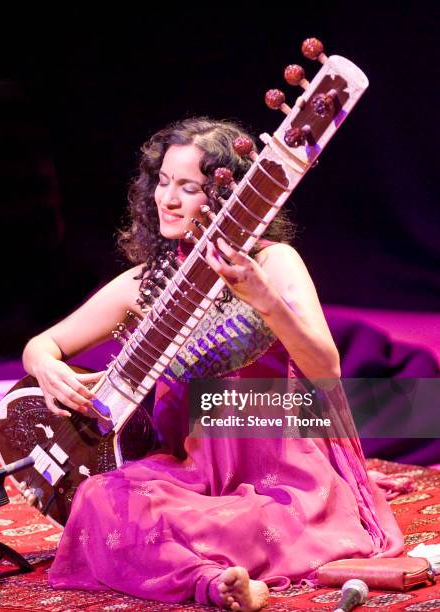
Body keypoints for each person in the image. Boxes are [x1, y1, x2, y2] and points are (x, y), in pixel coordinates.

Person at [20, 117, 404, 611]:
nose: (168, 199)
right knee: (97, 499)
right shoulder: (148, 286)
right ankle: (216, 584)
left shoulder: (273, 263)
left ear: (225, 197)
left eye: (188, 187)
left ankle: (209, 576)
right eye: (162, 182)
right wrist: (46, 365)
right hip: (194, 470)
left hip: (280, 471)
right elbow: (43, 343)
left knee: (238, 523)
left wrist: (262, 298)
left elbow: (325, 363)